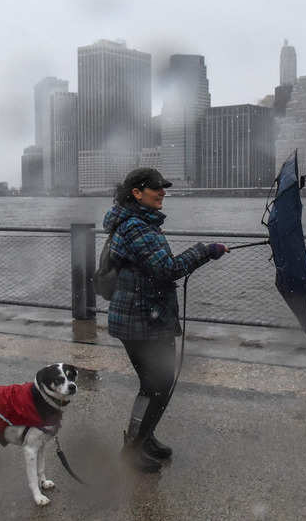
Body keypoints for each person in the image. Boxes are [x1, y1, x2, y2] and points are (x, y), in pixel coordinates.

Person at [102, 167, 229, 473]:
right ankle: (133, 449)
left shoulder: (139, 222)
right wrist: (205, 251)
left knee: (155, 384)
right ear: (137, 192)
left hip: (142, 315)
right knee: (157, 384)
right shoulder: (136, 227)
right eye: (156, 188)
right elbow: (166, 270)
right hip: (141, 318)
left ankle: (144, 439)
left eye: (163, 187)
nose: (162, 192)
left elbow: (155, 269)